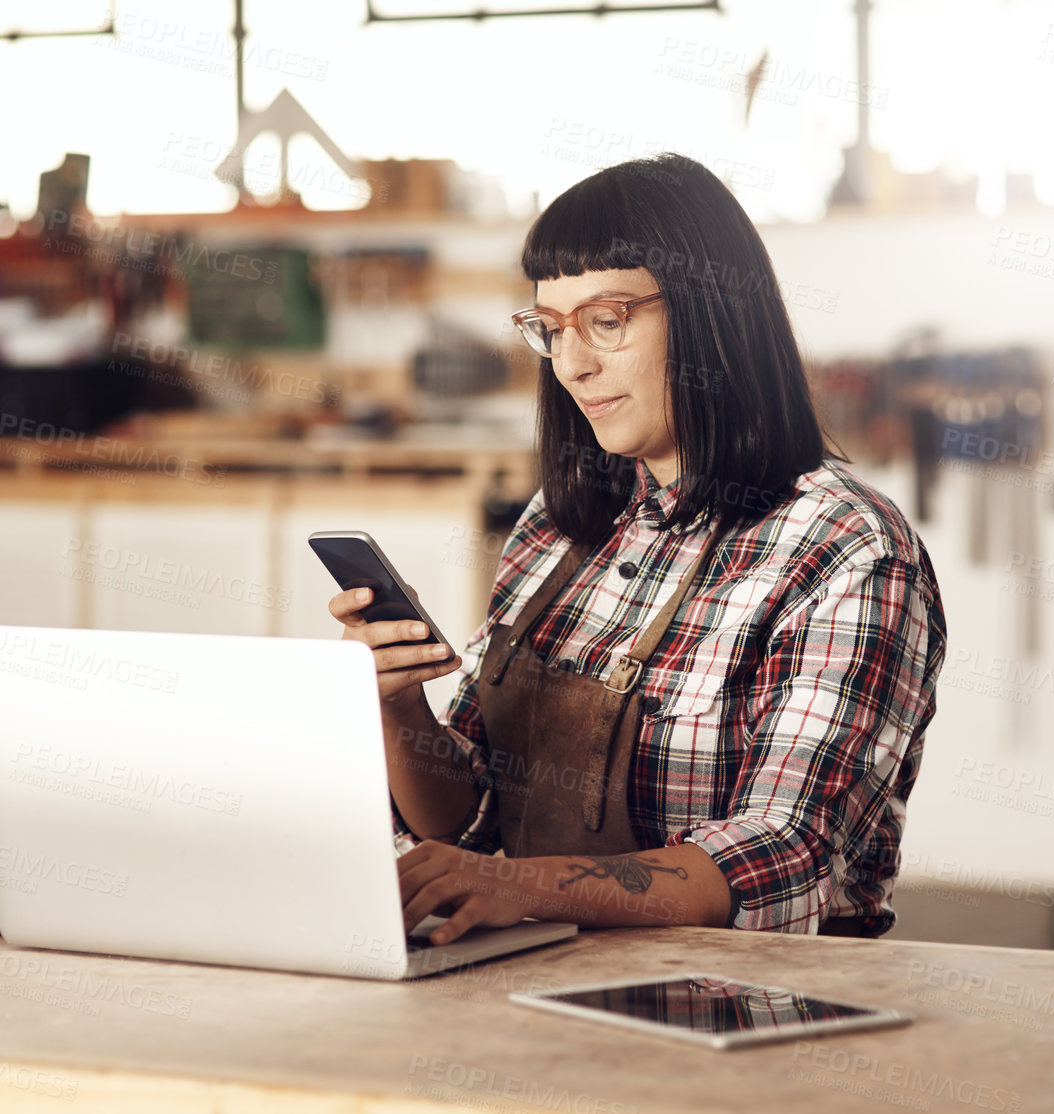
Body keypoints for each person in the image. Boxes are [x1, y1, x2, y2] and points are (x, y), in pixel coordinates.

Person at [328, 153, 946, 945]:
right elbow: (474, 813)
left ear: (709, 312)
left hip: (748, 1015)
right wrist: (397, 707)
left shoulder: (846, 550)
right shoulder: (556, 527)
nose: (573, 364)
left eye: (607, 320)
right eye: (550, 329)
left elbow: (788, 853)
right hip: (533, 994)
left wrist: (522, 884)